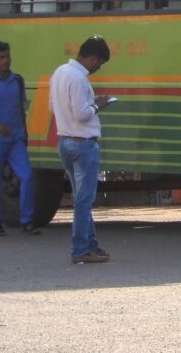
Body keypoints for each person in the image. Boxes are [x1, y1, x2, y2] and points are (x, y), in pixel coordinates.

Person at [49, 36, 112, 264]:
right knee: (84, 200)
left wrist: (87, 103)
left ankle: (91, 245)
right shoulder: (78, 78)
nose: (97, 68)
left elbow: (52, 106)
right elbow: (82, 114)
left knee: (80, 198)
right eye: (99, 63)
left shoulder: (60, 72)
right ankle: (80, 250)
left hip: (64, 140)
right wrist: (98, 104)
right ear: (92, 57)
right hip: (82, 143)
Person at [0, 41, 39, 236]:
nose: (5, 60)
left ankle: (27, 220)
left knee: (27, 176)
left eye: (7, 56)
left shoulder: (18, 81)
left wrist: (25, 133)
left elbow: (21, 108)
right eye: (1, 57)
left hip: (15, 140)